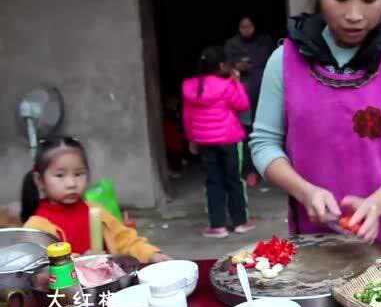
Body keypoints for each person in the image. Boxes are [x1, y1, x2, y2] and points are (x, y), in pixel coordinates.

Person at [250, 0, 381, 247]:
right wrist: (305, 191)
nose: (354, 15)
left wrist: (376, 204)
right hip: (313, 241)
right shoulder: (284, 61)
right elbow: (264, 144)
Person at [21, 136, 170, 263]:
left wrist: (151, 254)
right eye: (60, 175)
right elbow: (43, 271)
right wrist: (83, 262)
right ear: (39, 180)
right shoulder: (36, 227)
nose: (72, 184)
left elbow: (126, 240)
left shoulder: (96, 211)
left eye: (78, 174)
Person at [183, 46, 255, 238]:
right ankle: (240, 222)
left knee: (213, 181)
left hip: (205, 141)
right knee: (234, 180)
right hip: (229, 139)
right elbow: (242, 105)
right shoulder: (227, 85)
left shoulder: (190, 86)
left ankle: (218, 226)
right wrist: (237, 82)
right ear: (221, 65)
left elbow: (187, 116)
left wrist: (191, 139)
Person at [224, 16, 275, 187]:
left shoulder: (264, 43)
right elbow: (225, 67)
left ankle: (266, 171)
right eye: (243, 26)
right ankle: (248, 171)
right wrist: (237, 67)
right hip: (242, 99)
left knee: (266, 134)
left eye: (249, 26)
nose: (246, 30)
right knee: (244, 136)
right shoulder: (232, 45)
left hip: (263, 95)